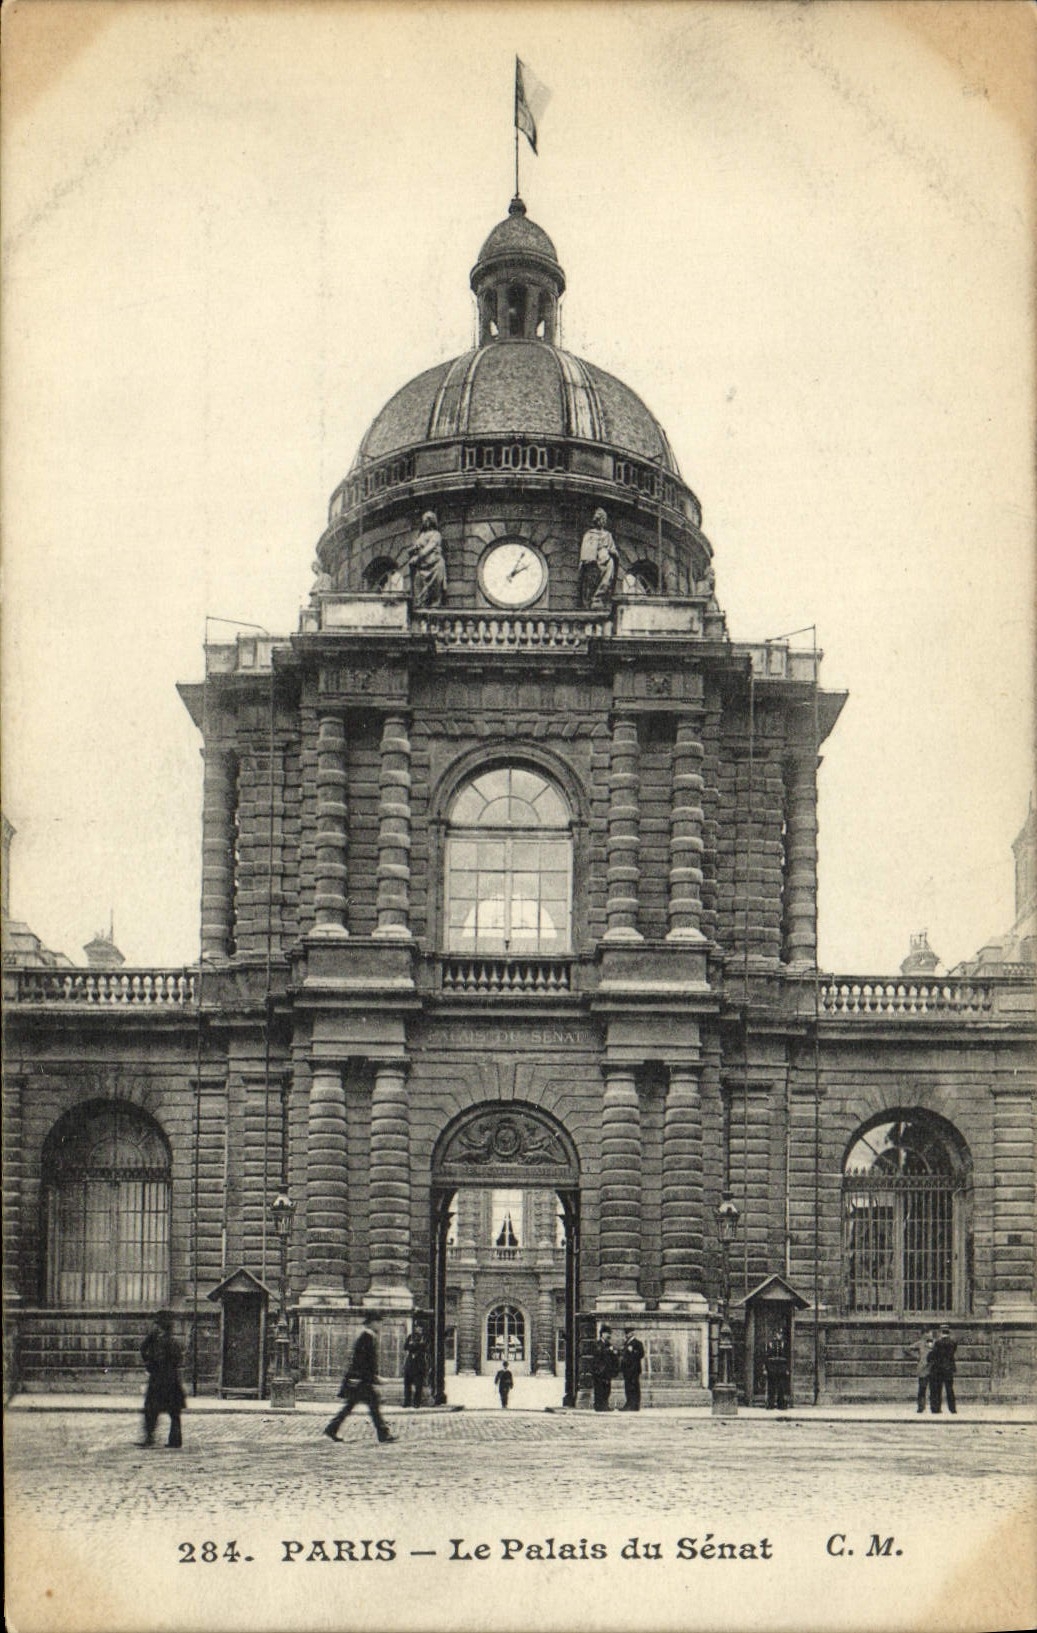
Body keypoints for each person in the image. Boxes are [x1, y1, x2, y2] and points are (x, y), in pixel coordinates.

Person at [324, 1313, 397, 1443]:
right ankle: (383, 1434)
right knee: (371, 1405)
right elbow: (360, 1360)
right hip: (360, 1381)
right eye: (378, 1322)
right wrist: (365, 1377)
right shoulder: (366, 1338)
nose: (380, 1325)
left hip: (362, 1380)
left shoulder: (369, 1337)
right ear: (371, 1323)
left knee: (352, 1406)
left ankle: (332, 1428)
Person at [139, 1309, 186, 1449]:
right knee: (174, 1412)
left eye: (157, 1325)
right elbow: (178, 1359)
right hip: (172, 1381)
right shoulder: (173, 1342)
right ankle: (175, 1440)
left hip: (159, 1381)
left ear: (160, 1326)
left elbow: (151, 1355)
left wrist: (150, 1364)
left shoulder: (160, 1342)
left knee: (151, 1410)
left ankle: (149, 1438)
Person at [578, 509, 619, 609]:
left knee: (606, 579)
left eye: (604, 519)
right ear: (596, 520)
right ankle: (591, 600)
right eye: (601, 519)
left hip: (606, 560)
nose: (602, 521)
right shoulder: (589, 534)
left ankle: (598, 598)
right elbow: (585, 550)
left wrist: (613, 553)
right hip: (593, 561)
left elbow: (613, 548)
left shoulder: (608, 535)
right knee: (591, 579)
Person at [406, 512, 447, 608]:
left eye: (427, 520)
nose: (425, 522)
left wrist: (417, 557)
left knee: (434, 592)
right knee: (418, 589)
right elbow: (416, 547)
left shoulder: (436, 534)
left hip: (434, 565)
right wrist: (413, 550)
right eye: (424, 520)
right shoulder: (422, 535)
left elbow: (429, 548)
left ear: (432, 521)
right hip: (422, 566)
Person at [928, 1325, 958, 1415]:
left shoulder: (938, 1343)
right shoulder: (953, 1342)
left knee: (938, 1389)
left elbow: (934, 1354)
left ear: (941, 1332)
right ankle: (952, 1409)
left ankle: (936, 1409)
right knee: (949, 1389)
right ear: (948, 1332)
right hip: (949, 1368)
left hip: (939, 1369)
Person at [590, 1325, 619, 1412]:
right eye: (607, 1333)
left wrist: (614, 1353)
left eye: (609, 1333)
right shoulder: (597, 1344)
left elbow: (612, 1357)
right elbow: (599, 1353)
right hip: (599, 1371)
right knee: (599, 1389)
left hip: (607, 1371)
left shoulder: (608, 1344)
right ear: (602, 1334)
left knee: (607, 1389)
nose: (608, 1335)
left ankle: (605, 1405)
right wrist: (609, 1350)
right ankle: (599, 1406)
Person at [619, 1328, 645, 1411]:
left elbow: (641, 1354)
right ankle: (629, 1404)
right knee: (628, 1387)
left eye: (628, 1333)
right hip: (627, 1369)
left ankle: (635, 1405)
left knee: (634, 1387)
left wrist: (633, 1351)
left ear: (632, 1333)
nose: (626, 1335)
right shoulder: (626, 1343)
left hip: (634, 1369)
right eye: (626, 1333)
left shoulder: (637, 1343)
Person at [403, 1325, 428, 1409]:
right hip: (410, 1364)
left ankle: (417, 1403)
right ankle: (407, 1402)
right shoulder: (410, 1336)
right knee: (407, 1384)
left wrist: (413, 1346)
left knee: (418, 1386)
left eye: (420, 1328)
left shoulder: (424, 1337)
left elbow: (424, 1348)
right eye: (417, 1328)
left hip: (419, 1365)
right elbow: (405, 1347)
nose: (419, 1329)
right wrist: (417, 1345)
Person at [764, 1336, 790, 1411]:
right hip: (772, 1367)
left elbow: (788, 1357)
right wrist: (765, 1368)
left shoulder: (784, 1344)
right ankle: (770, 1404)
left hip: (782, 1368)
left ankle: (781, 1404)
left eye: (780, 1334)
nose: (778, 1336)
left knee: (781, 1387)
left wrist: (787, 1369)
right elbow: (766, 1357)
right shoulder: (770, 1344)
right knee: (771, 1387)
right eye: (777, 1334)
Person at [914, 1329, 936, 1413]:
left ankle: (934, 1407)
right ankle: (921, 1407)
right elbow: (908, 1349)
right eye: (927, 1333)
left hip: (933, 1369)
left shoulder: (936, 1343)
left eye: (930, 1333)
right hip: (923, 1369)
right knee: (922, 1389)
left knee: (934, 1389)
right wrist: (917, 1357)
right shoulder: (920, 1343)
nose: (929, 1335)